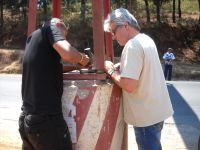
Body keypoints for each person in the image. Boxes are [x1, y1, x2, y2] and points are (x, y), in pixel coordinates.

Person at [104, 8, 174, 150]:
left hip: (145, 118)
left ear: (125, 25)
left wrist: (110, 70)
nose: (112, 36)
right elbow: (144, 67)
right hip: (156, 111)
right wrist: (124, 66)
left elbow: (129, 85)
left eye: (113, 31)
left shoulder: (132, 46)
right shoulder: (145, 39)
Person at [19, 18, 89, 150]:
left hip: (27, 120)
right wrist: (82, 59)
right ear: (59, 26)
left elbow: (51, 68)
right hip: (46, 121)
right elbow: (68, 53)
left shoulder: (33, 37)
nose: (63, 38)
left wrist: (75, 66)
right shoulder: (51, 28)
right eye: (64, 35)